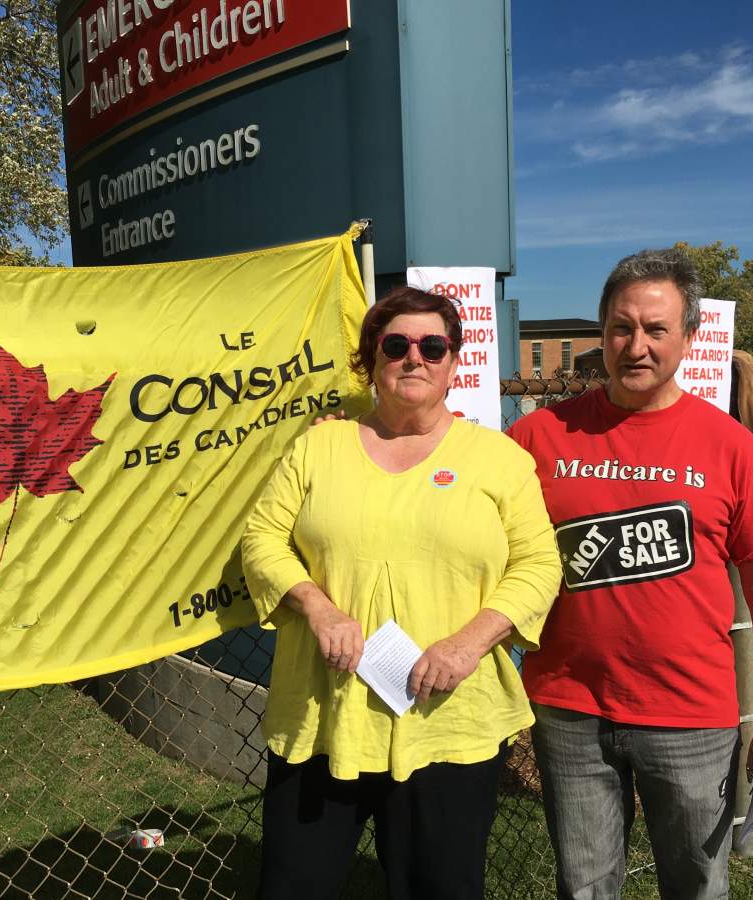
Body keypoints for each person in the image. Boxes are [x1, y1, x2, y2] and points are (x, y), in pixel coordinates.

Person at [241, 286, 563, 900]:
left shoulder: (497, 458)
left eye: (432, 345)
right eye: (397, 345)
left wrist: (468, 644)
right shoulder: (318, 446)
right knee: (294, 885)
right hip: (325, 714)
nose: (415, 357)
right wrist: (317, 604)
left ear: (453, 362)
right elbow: (262, 539)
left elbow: (538, 563)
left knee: (440, 886)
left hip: (447, 716)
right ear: (371, 360)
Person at [507, 249, 753, 900]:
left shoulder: (731, 450)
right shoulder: (538, 437)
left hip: (691, 715)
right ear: (603, 332)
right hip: (570, 709)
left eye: (656, 329)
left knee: (697, 885)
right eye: (620, 327)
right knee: (584, 888)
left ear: (689, 338)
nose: (635, 345)